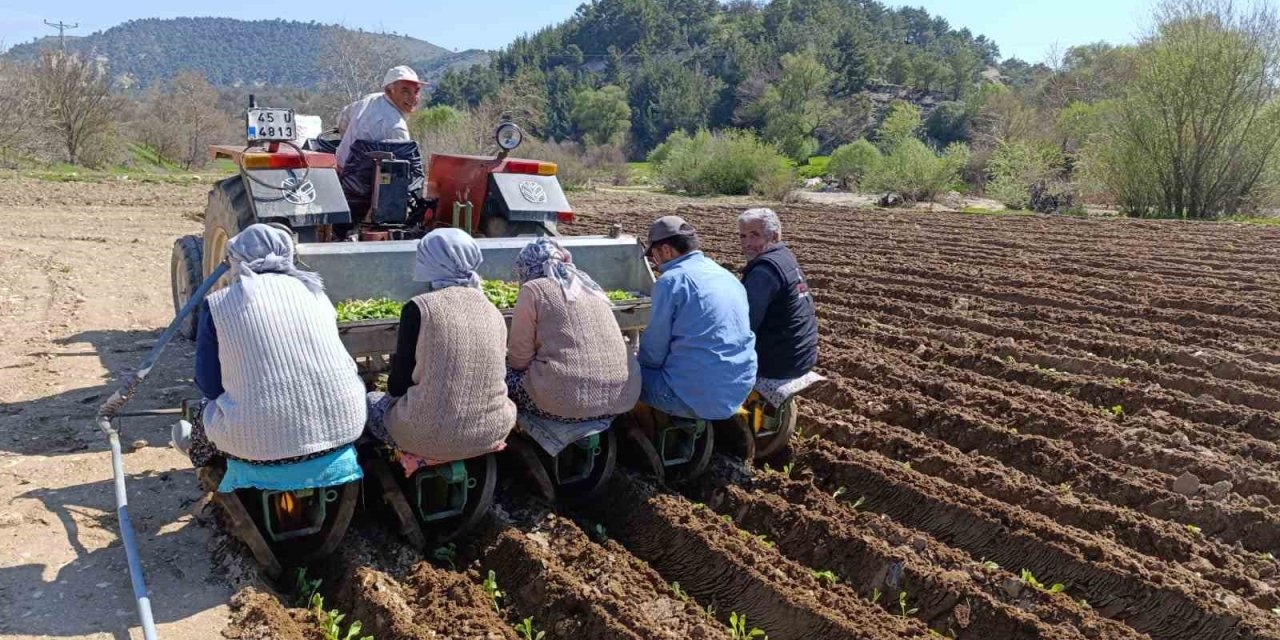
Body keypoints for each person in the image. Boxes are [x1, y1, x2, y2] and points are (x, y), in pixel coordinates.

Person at [176, 224, 367, 469]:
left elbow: (209, 386)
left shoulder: (217, 304)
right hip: (347, 429)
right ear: (287, 253)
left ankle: (200, 454)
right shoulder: (317, 293)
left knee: (206, 411)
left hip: (259, 447)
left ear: (235, 259)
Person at [366, 229, 516, 463]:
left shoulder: (420, 307)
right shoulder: (492, 309)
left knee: (371, 402)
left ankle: (396, 461)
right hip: (492, 431)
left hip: (423, 434)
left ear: (429, 261)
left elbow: (398, 385)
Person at [506, 238, 641, 423]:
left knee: (504, 375)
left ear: (525, 266)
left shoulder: (533, 289)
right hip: (624, 397)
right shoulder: (589, 284)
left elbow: (519, 360)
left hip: (567, 404)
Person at [638, 216, 756, 421]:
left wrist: (633, 357)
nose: (654, 262)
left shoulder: (671, 281)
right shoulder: (725, 275)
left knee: (626, 375)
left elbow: (654, 352)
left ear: (666, 250)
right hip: (738, 389)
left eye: (654, 255)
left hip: (693, 397)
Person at [738, 208, 819, 395]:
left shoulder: (763, 272)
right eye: (742, 236)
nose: (747, 244)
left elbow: (744, 325)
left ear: (774, 236)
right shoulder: (785, 256)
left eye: (754, 235)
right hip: (802, 354)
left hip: (780, 363)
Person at [334, 65, 424, 169]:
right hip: (366, 182)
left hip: (339, 172)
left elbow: (342, 118)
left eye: (416, 91)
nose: (414, 98)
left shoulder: (368, 100)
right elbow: (404, 169)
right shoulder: (396, 127)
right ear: (389, 91)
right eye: (405, 92)